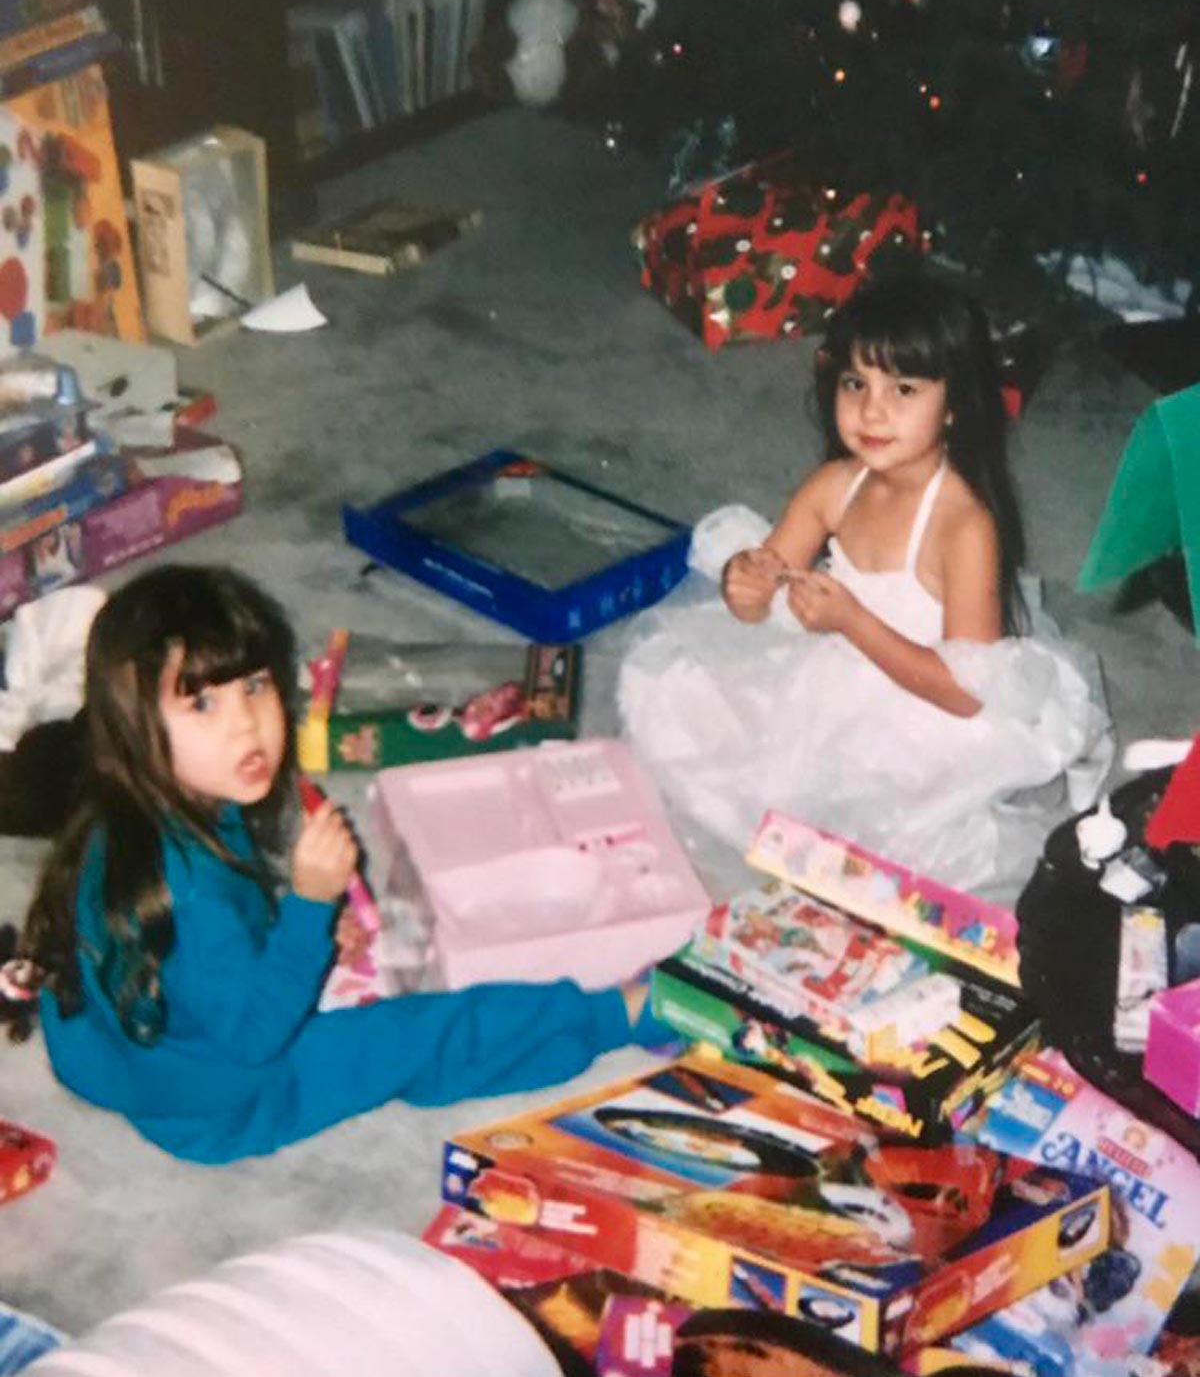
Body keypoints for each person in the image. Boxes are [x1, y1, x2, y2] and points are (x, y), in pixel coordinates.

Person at [9, 564, 670, 1164]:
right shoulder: (190, 891)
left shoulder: (128, 809)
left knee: (283, 968)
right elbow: (253, 1039)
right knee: (417, 1037)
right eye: (204, 704)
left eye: (256, 686)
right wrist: (307, 907)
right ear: (131, 724)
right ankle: (617, 1015)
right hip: (222, 1105)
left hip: (144, 1063)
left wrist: (300, 932)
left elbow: (201, 941)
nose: (249, 726)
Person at [619, 273, 1112, 898]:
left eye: (903, 389)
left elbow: (964, 693)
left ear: (955, 404)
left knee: (882, 836)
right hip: (828, 669)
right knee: (673, 695)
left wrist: (852, 622)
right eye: (856, 384)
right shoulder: (835, 484)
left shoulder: (964, 526)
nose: (872, 410)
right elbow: (762, 588)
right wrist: (744, 584)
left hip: (924, 703)